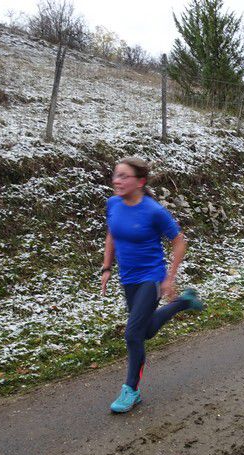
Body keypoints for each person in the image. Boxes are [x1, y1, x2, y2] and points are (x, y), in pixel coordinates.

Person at [100, 157, 205, 413]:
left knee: (133, 334)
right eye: (116, 175)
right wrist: (106, 267)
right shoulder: (113, 204)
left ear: (140, 182)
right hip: (128, 278)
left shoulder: (153, 211)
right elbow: (112, 233)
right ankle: (184, 302)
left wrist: (169, 278)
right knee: (145, 331)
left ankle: (131, 390)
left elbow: (179, 241)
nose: (117, 180)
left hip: (151, 277)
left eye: (124, 176)